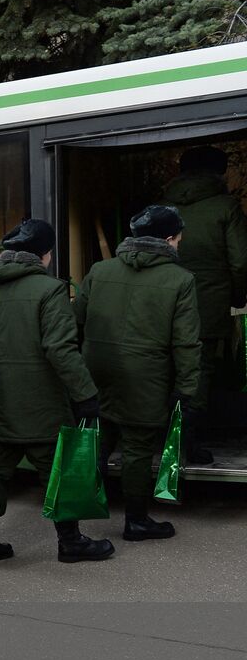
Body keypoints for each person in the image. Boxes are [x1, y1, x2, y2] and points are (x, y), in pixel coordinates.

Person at [0, 220, 113, 564]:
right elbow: (61, 348)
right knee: (56, 470)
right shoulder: (50, 290)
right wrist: (85, 395)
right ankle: (71, 542)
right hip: (41, 407)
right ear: (46, 255)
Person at [75, 205, 200, 542]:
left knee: (99, 440)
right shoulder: (181, 280)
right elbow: (186, 343)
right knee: (138, 449)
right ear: (169, 239)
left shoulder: (99, 270)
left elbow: (77, 319)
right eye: (178, 239)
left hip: (97, 371)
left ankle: (80, 508)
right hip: (145, 376)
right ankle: (136, 520)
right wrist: (186, 390)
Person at [158, 146, 247, 463]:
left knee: (164, 366)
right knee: (198, 370)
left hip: (161, 301)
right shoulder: (225, 206)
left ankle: (162, 435)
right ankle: (186, 444)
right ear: (219, 172)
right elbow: (240, 261)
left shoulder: (161, 208)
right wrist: (237, 296)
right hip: (207, 301)